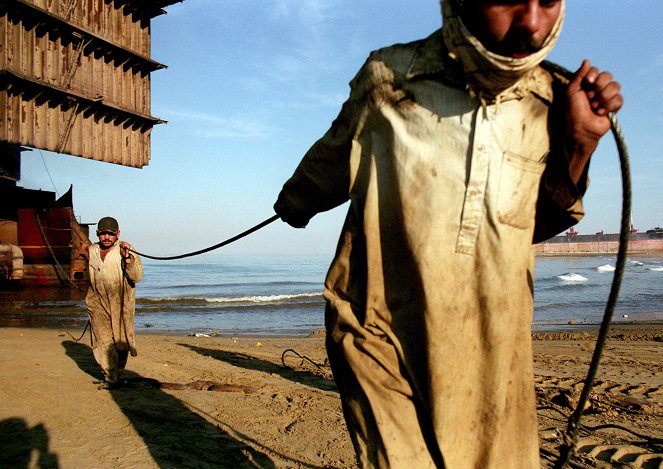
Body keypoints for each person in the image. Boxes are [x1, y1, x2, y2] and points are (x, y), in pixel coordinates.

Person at [273, 1, 622, 467]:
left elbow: (531, 227)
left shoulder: (555, 101)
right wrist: (294, 204)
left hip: (493, 349)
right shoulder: (390, 78)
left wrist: (580, 145)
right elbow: (335, 155)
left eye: (548, 1)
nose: (533, 24)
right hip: (379, 333)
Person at [85, 216, 143, 390]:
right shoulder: (92, 250)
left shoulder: (126, 249)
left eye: (110, 234)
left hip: (120, 302)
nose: (106, 237)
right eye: (103, 234)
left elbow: (137, 276)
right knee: (102, 340)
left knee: (120, 341)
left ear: (118, 234)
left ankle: (116, 374)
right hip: (96, 301)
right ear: (97, 234)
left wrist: (127, 260)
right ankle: (109, 377)